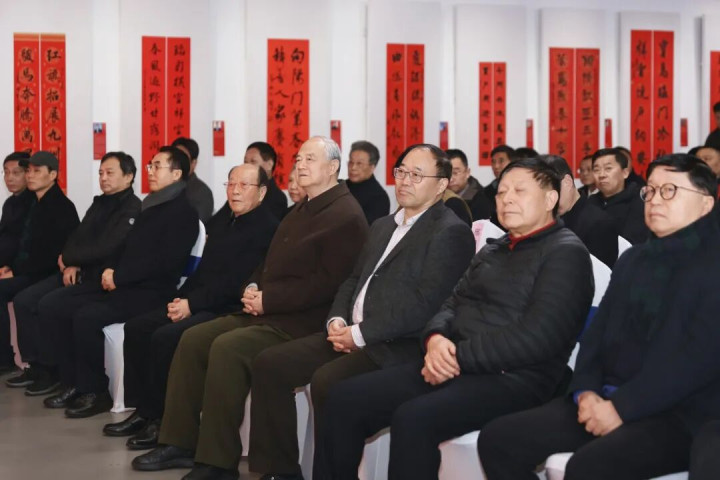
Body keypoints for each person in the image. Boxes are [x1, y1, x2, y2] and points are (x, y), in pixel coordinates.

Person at [316, 158, 594, 480]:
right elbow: (450, 304)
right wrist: (435, 340)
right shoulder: (494, 249)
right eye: (502, 192)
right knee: (344, 399)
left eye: (519, 191)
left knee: (414, 418)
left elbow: (537, 337)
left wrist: (456, 357)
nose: (507, 199)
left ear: (550, 199)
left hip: (515, 378)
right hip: (452, 363)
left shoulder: (565, 253)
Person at [132, 136, 369, 480]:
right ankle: (180, 442)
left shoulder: (345, 215)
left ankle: (217, 462)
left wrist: (269, 299)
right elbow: (268, 262)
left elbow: (330, 283)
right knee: (193, 339)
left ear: (333, 167)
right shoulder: (303, 207)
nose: (300, 165)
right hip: (269, 310)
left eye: (310, 159)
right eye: (298, 159)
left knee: (228, 348)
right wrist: (255, 286)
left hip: (301, 322)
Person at [479, 154, 720, 480]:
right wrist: (586, 392)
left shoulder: (712, 266)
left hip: (676, 413)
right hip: (604, 397)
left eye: (669, 191)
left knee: (588, 467)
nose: (655, 200)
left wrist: (622, 408)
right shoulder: (634, 259)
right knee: (499, 440)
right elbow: (597, 336)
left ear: (706, 204)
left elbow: (695, 362)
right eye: (650, 190)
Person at [248, 144, 476, 480]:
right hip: (350, 331)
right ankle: (280, 471)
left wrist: (359, 334)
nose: (405, 181)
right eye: (401, 172)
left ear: (441, 184)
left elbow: (424, 305)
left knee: (329, 382)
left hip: (395, 343)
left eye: (417, 175)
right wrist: (337, 319)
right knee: (271, 363)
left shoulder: (450, 232)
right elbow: (353, 279)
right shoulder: (383, 225)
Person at [102, 164, 278, 451]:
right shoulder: (225, 223)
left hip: (227, 309)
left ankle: (163, 420)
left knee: (166, 338)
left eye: (244, 185)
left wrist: (191, 304)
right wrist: (180, 299)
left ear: (261, 192)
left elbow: (235, 283)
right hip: (199, 300)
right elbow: (203, 272)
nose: (235, 191)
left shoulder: (266, 229)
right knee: (137, 328)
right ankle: (145, 410)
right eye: (231, 184)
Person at [42, 146, 199, 418]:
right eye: (150, 166)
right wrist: (112, 269)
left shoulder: (183, 213)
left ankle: (95, 391)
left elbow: (163, 263)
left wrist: (119, 276)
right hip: (126, 284)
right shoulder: (152, 206)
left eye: (157, 166)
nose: (150, 172)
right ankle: (73, 382)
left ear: (176, 174)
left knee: (87, 316)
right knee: (60, 306)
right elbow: (125, 247)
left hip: (152, 292)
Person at [6, 152, 141, 394]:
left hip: (103, 279)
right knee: (40, 302)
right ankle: (57, 375)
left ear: (129, 176)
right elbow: (76, 237)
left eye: (110, 173)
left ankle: (64, 377)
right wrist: (71, 261)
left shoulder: (131, 207)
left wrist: (71, 259)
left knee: (53, 305)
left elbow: (108, 246)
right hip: (79, 272)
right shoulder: (100, 203)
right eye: (101, 173)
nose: (103, 178)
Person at [0, 151, 79, 376]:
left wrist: (15, 271)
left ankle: (40, 367)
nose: (30, 176)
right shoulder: (35, 202)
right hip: (31, 270)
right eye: (28, 171)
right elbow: (21, 244)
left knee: (24, 300)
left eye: (36, 171)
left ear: (52, 175)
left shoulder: (61, 207)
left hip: (51, 272)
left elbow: (50, 254)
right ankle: (25, 363)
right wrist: (9, 266)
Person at [540, 155, 618, 267]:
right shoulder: (545, 219)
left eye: (548, 192)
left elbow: (599, 273)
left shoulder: (599, 223)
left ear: (567, 182)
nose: (546, 200)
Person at [588, 148, 649, 244]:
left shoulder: (639, 200)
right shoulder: (590, 202)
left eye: (608, 168)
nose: (602, 175)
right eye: (596, 170)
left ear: (625, 173)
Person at [0, 152, 34, 270]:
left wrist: (11, 267)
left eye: (16, 173)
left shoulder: (36, 202)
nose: (9, 178)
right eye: (6, 172)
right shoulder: (8, 203)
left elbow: (27, 244)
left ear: (28, 174)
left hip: (22, 267)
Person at [346, 140, 390, 225]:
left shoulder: (379, 198)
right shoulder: (340, 187)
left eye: (359, 163)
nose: (353, 167)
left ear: (372, 167)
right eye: (351, 162)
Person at [172, 137, 214, 224]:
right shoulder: (164, 187)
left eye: (183, 158)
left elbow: (194, 225)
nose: (177, 163)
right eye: (174, 158)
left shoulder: (202, 192)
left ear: (193, 163)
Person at [244, 142, 288, 220]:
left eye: (253, 161)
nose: (247, 166)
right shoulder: (241, 191)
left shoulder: (277, 198)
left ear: (269, 165)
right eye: (245, 162)